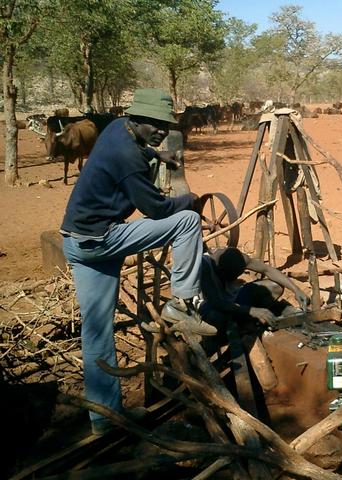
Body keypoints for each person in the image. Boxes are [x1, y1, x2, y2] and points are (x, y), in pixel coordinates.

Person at [61, 88, 216, 436]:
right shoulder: (127, 158)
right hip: (103, 240)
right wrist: (189, 199)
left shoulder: (117, 127)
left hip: (75, 240)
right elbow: (158, 209)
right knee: (187, 222)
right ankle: (182, 304)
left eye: (166, 124)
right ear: (138, 120)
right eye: (157, 125)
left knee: (96, 331)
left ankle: (104, 420)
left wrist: (160, 157)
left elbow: (140, 149)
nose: (163, 130)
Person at [199, 247, 309, 329]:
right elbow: (218, 303)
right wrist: (251, 311)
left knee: (276, 287)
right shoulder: (205, 267)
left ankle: (246, 319)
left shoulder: (239, 258)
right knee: (215, 318)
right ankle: (243, 323)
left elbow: (267, 270)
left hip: (235, 299)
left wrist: (296, 290)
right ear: (220, 269)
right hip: (213, 306)